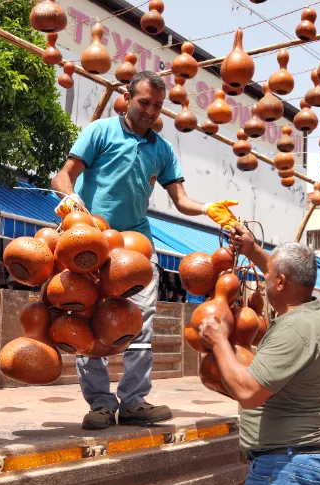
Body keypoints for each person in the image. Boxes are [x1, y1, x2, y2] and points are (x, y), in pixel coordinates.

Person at [51, 71, 240, 430]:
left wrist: (208, 209)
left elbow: (180, 200)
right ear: (127, 96)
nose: (151, 111)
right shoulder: (101, 131)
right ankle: (101, 404)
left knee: (141, 324)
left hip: (138, 246)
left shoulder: (162, 150)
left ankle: (134, 402)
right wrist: (74, 206)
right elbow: (62, 177)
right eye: (144, 103)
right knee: (87, 321)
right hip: (93, 242)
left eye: (157, 105)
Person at [198, 223, 320, 485]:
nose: (264, 279)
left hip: (290, 472)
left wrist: (219, 341)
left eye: (269, 275)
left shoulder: (295, 329)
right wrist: (251, 249)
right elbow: (289, 274)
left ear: (281, 282)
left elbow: (249, 392)